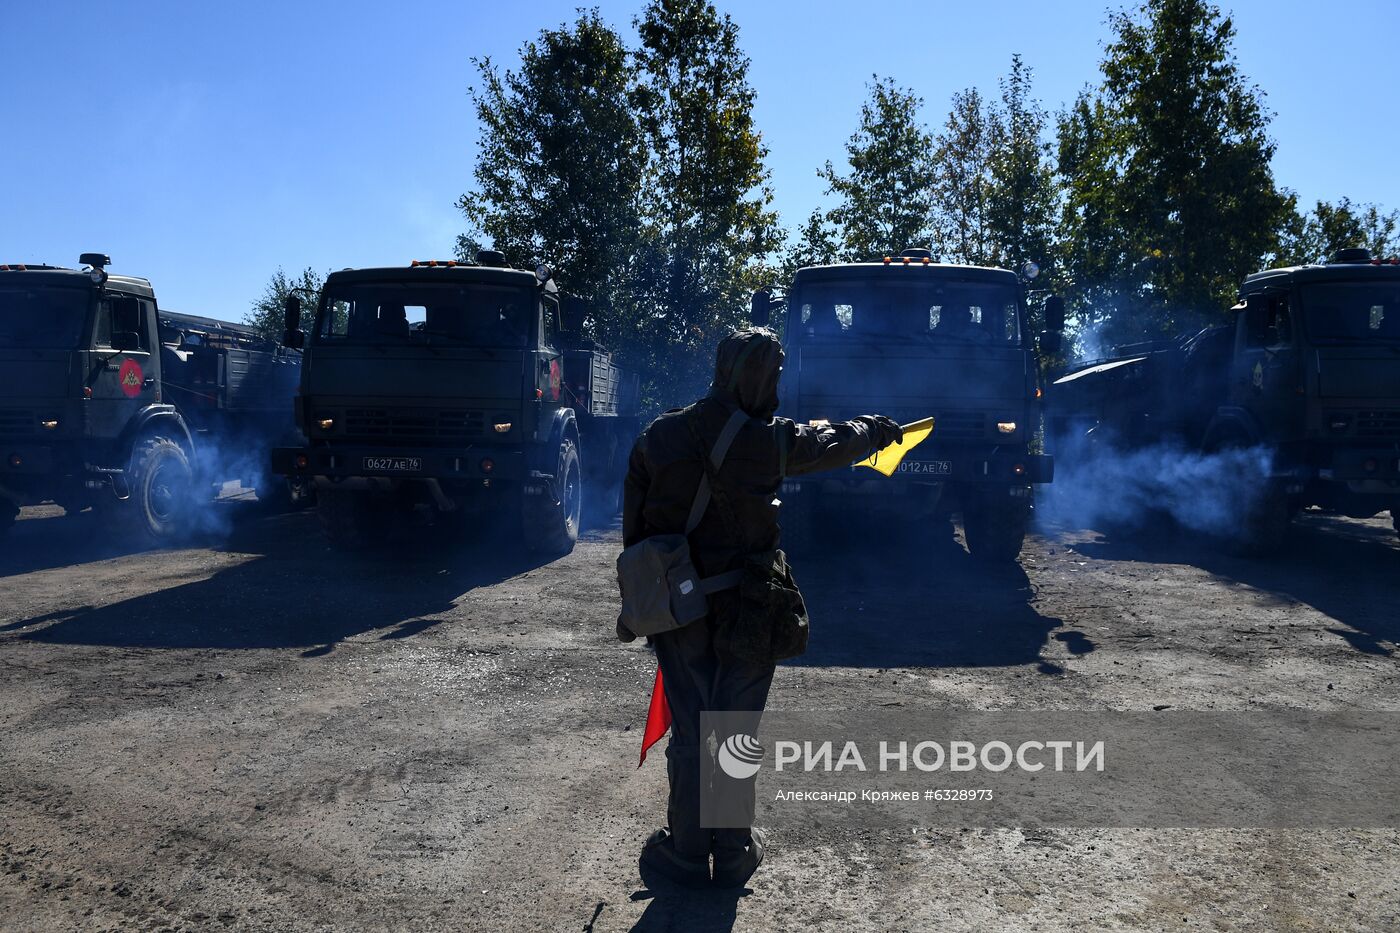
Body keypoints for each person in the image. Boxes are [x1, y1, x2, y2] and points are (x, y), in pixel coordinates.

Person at [619, 327, 903, 888]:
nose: (774, 385)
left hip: (678, 611)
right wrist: (875, 429)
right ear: (753, 377)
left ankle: (685, 851)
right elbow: (832, 441)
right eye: (771, 375)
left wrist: (641, 604)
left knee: (693, 727)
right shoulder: (770, 442)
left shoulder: (660, 435)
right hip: (750, 606)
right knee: (733, 728)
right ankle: (732, 851)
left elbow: (635, 531)